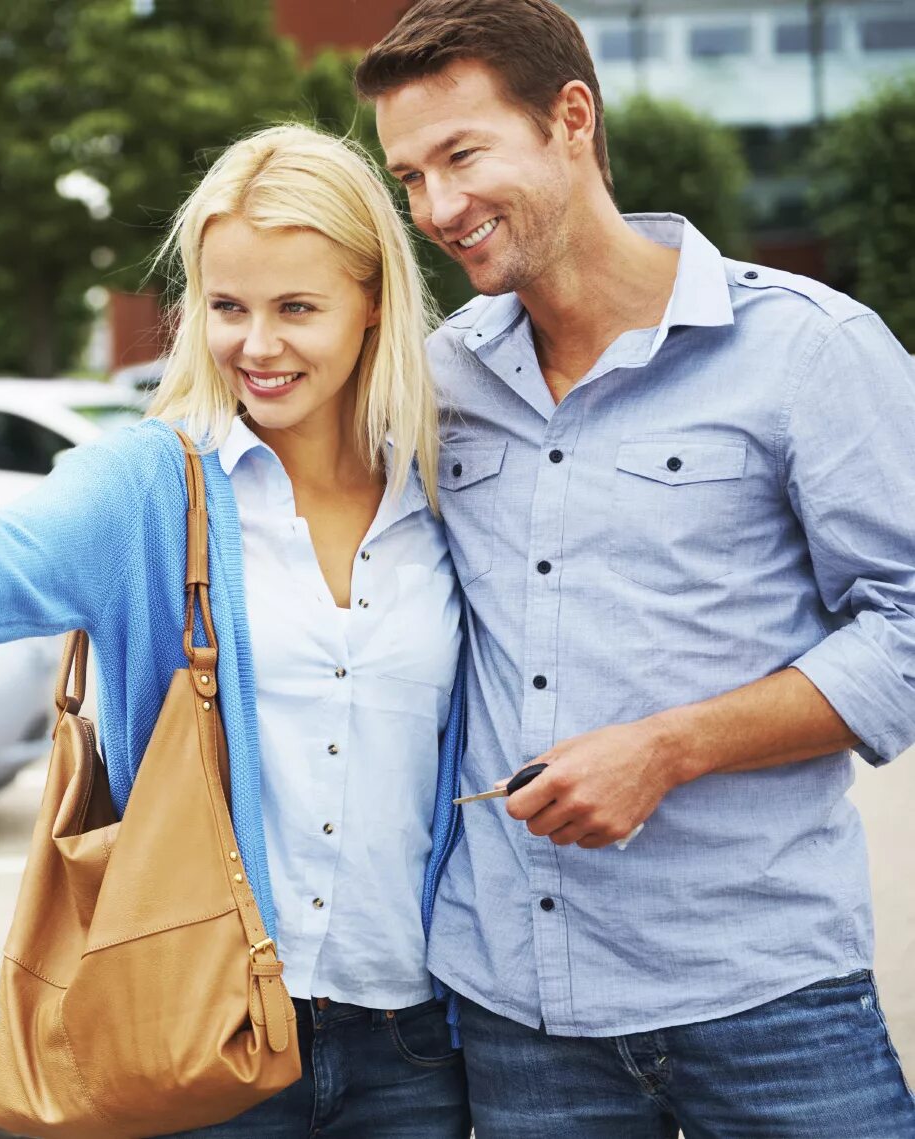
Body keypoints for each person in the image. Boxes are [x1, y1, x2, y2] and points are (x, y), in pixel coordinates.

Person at [0, 123, 474, 1137]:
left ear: (373, 299)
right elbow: (13, 547)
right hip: (196, 1020)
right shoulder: (154, 484)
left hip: (413, 1039)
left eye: (297, 307)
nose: (258, 344)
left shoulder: (443, 493)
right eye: (228, 307)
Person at [354, 2, 915, 1135]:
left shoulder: (810, 347)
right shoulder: (435, 381)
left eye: (463, 155)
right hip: (519, 1012)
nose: (437, 210)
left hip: (768, 998)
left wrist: (668, 747)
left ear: (572, 119)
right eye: (409, 177)